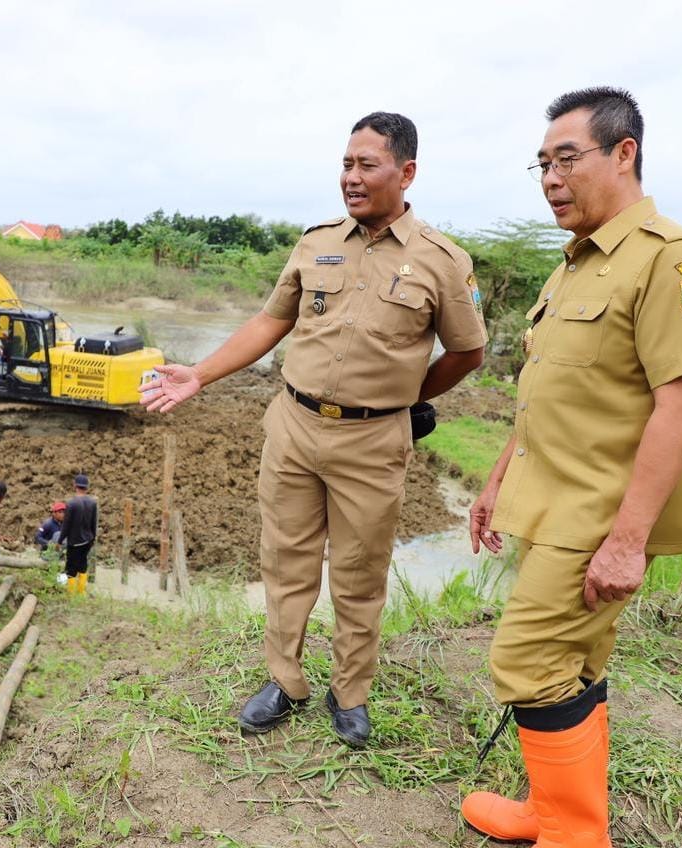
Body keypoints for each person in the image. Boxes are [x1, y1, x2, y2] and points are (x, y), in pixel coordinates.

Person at [139, 112, 487, 746]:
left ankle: (349, 693)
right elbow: (270, 322)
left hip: (374, 441)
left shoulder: (441, 260)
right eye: (346, 164)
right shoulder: (316, 241)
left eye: (367, 165)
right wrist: (201, 375)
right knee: (286, 560)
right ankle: (285, 680)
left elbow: (468, 352)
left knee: (359, 574)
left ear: (406, 172)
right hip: (294, 427)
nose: (351, 178)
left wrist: (405, 400)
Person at [463, 87, 682, 846]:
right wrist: (495, 482)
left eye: (566, 158)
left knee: (524, 661)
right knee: (575, 661)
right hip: (549, 501)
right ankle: (555, 813)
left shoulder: (669, 261)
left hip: (599, 515)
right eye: (540, 163)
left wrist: (626, 541)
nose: (549, 177)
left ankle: (574, 835)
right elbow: (546, 392)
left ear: (624, 153)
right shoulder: (574, 266)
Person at [58, 474, 98, 595]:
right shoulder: (92, 503)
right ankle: (80, 593)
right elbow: (94, 523)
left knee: (70, 567)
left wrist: (60, 540)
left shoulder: (71, 503)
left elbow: (66, 525)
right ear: (87, 487)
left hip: (74, 541)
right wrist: (93, 538)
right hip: (87, 540)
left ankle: (70, 594)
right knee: (83, 565)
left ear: (75, 485)